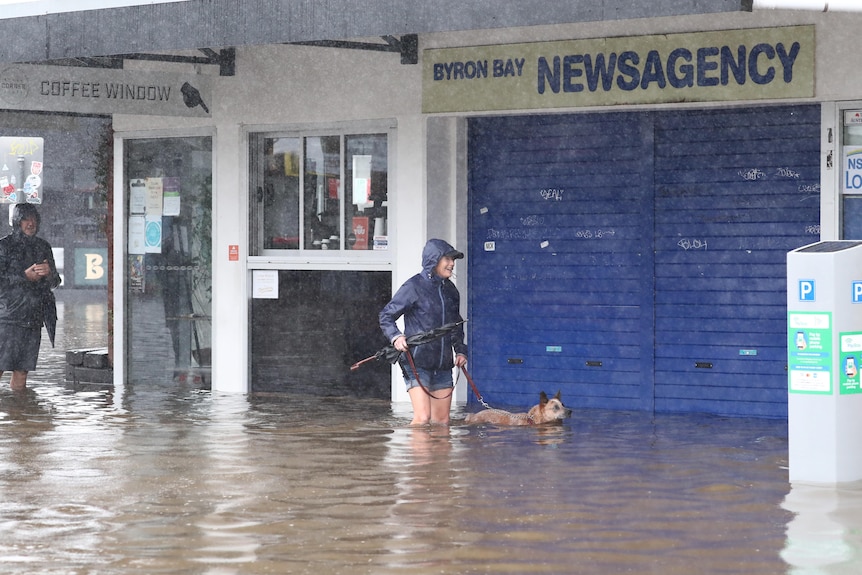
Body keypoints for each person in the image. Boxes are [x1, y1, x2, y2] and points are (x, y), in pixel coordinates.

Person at [379, 238, 468, 425]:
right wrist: (395, 337)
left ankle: (440, 455)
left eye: (453, 260)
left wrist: (460, 351)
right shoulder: (413, 286)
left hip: (443, 365)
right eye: (448, 259)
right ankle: (416, 455)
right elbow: (386, 315)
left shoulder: (451, 291)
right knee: (422, 419)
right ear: (433, 260)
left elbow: (456, 325)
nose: (452, 264)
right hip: (417, 363)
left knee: (443, 421)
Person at [0, 203, 61, 391]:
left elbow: (55, 281)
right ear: (17, 221)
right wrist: (24, 276)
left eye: (34, 219)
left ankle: (20, 414)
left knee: (22, 372)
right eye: (25, 219)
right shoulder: (4, 246)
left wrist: (49, 273)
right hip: (7, 319)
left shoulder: (43, 246)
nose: (30, 223)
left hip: (33, 319)